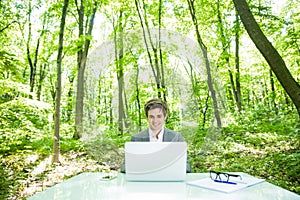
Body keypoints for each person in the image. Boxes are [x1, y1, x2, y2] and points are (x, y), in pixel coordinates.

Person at [121, 98, 191, 173]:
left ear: (165, 116)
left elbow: (187, 166)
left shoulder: (176, 137)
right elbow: (124, 167)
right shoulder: (136, 138)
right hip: (145, 180)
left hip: (168, 180)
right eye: (151, 117)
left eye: (159, 116)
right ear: (147, 118)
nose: (155, 121)